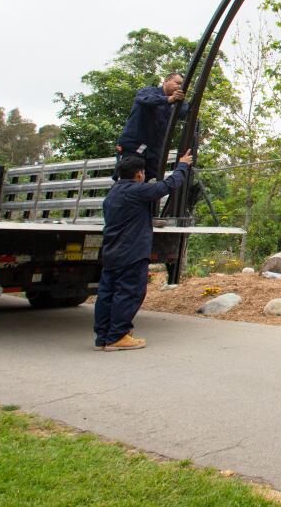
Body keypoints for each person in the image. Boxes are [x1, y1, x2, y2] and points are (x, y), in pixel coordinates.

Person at [95, 149, 193, 351]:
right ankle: (117, 336)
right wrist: (182, 165)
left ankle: (103, 337)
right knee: (129, 293)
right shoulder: (136, 191)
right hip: (131, 253)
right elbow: (168, 185)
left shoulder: (112, 194)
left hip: (111, 252)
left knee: (107, 294)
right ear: (139, 174)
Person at [115, 72, 188, 182]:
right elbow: (147, 99)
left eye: (182, 85)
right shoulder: (148, 92)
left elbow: (185, 112)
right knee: (129, 179)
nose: (179, 87)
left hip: (154, 151)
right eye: (177, 83)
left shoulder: (178, 103)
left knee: (153, 181)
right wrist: (168, 99)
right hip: (134, 146)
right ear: (166, 81)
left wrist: (181, 102)